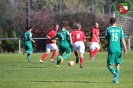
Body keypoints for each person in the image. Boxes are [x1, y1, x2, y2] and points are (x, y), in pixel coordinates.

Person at [105, 17, 127, 83]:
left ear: (110, 22)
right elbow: (122, 39)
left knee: (108, 65)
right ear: (116, 22)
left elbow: (107, 39)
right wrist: (125, 48)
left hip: (111, 48)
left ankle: (115, 74)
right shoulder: (120, 29)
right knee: (117, 64)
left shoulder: (108, 29)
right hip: (118, 49)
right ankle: (116, 80)